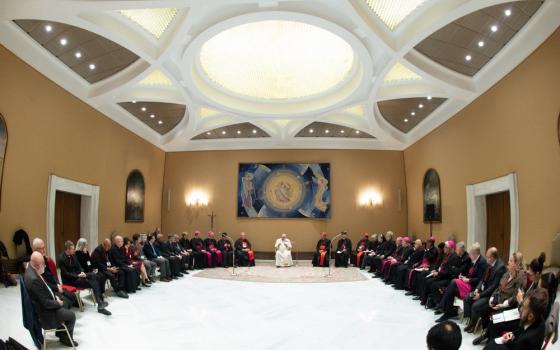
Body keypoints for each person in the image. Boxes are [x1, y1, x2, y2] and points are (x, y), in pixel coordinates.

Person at [25, 252, 78, 347]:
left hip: (46, 302)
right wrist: (58, 303)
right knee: (71, 316)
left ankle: (61, 333)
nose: (45, 266)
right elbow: (45, 303)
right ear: (37, 265)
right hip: (46, 313)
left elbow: (44, 289)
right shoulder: (34, 280)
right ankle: (65, 339)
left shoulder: (31, 268)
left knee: (66, 303)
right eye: (43, 264)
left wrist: (54, 296)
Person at [472, 251, 525, 345]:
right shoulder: (507, 273)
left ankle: (488, 339)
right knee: (482, 309)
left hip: (508, 305)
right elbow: (498, 287)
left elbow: (515, 297)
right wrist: (492, 297)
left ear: (516, 264)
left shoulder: (521, 277)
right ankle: (487, 333)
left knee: (495, 318)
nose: (508, 262)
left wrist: (503, 305)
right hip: (498, 299)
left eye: (511, 261)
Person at [435, 242, 487, 322]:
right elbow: (470, 273)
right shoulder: (475, 260)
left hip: (474, 287)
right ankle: (448, 313)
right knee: (452, 290)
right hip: (468, 283)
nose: (469, 256)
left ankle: (442, 306)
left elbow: (480, 279)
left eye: (471, 254)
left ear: (475, 254)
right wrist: (464, 277)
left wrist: (468, 279)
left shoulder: (481, 262)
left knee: (453, 282)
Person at [483, 288, 549, 350]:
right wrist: (512, 333)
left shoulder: (528, 339)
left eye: (523, 307)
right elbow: (523, 329)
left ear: (530, 316)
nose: (520, 309)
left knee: (491, 345)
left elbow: (516, 347)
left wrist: (508, 341)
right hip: (518, 343)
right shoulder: (538, 318)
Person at [58, 240, 111, 315]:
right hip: (70, 280)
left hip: (78, 276)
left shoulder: (73, 256)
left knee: (93, 276)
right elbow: (65, 274)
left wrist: (82, 272)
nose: (74, 250)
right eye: (72, 249)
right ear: (68, 249)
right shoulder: (61, 258)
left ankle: (100, 303)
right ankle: (100, 302)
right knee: (93, 281)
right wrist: (77, 275)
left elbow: (79, 266)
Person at [463, 247, 507, 333]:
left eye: (487, 256)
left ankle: (473, 324)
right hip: (482, 290)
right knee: (467, 298)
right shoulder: (489, 264)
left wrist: (480, 295)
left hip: (490, 294)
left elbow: (494, 287)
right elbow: (482, 279)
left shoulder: (500, 268)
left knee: (475, 305)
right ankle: (471, 321)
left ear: (492, 258)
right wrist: (477, 289)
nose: (485, 258)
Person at [32, 238, 77, 310]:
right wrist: (56, 288)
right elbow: (44, 283)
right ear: (35, 249)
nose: (44, 250)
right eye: (42, 248)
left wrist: (57, 284)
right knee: (67, 303)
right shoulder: (36, 262)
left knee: (73, 296)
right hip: (49, 289)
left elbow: (51, 275)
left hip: (54, 285)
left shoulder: (44, 259)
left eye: (44, 247)